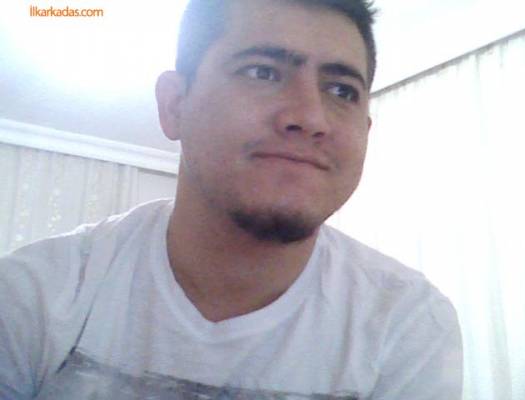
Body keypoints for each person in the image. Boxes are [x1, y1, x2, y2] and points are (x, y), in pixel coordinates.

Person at [0, 0, 463, 398]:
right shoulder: (30, 296)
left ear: (365, 130)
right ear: (174, 105)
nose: (311, 117)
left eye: (342, 91)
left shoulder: (407, 323)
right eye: (263, 71)